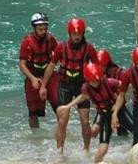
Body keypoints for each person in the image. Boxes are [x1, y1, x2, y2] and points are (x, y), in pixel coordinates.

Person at [40, 18, 97, 153]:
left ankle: (86, 150)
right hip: (65, 85)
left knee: (84, 120)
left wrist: (97, 90)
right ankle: (60, 150)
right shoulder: (61, 47)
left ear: (83, 33)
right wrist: (43, 86)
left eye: (79, 34)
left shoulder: (89, 49)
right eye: (74, 34)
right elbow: (51, 66)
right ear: (69, 33)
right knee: (62, 120)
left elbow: (97, 70)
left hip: (82, 86)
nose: (77, 37)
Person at [57, 62, 120, 163]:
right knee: (95, 136)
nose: (95, 83)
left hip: (117, 111)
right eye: (92, 81)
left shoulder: (110, 82)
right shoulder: (86, 88)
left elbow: (125, 89)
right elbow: (82, 97)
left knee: (134, 130)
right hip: (104, 114)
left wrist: (117, 109)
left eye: (97, 80)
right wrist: (67, 106)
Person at [18, 12, 58, 128]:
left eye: (45, 29)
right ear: (34, 28)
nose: (43, 31)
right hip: (33, 76)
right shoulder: (27, 42)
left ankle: (62, 131)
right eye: (40, 29)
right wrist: (33, 79)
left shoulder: (51, 39)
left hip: (49, 75)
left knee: (58, 105)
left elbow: (60, 54)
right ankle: (36, 138)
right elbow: (22, 64)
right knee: (33, 112)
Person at [95, 49, 132, 136]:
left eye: (102, 66)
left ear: (107, 65)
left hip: (118, 108)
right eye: (98, 66)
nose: (100, 68)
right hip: (104, 109)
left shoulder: (119, 72)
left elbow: (130, 87)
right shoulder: (95, 74)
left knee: (135, 130)